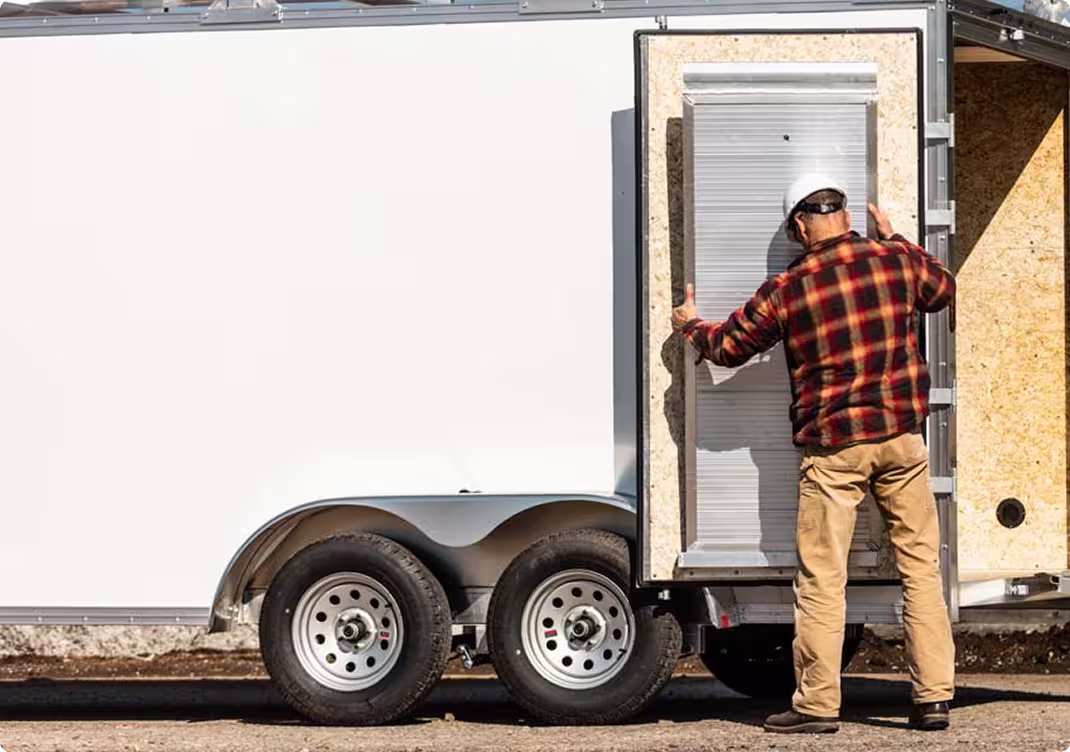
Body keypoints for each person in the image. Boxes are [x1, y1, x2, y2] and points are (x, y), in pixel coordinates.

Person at [671, 174, 956, 734]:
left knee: (823, 580)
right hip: (901, 441)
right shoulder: (894, 261)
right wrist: (895, 238)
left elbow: (727, 347)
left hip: (834, 453)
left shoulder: (789, 287)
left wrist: (690, 326)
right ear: (846, 215)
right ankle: (933, 700)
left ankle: (818, 706)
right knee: (920, 570)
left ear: (800, 227)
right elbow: (943, 288)